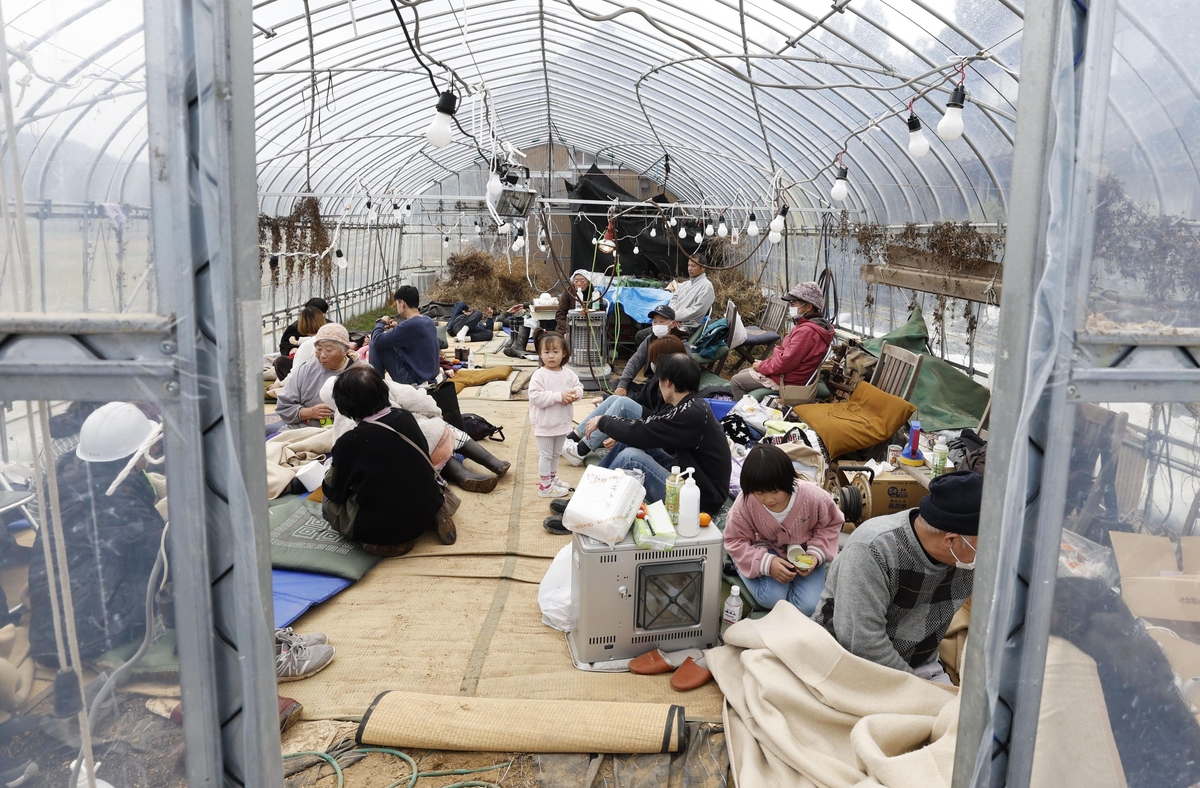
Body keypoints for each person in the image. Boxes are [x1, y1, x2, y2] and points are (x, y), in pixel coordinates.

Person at [812, 470, 982, 684]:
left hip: (920, 664)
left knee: (958, 715)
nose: (988, 553)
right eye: (983, 544)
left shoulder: (967, 555)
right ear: (951, 540)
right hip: (846, 659)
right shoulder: (873, 549)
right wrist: (914, 687)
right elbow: (861, 641)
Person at [323, 366, 457, 555]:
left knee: (327, 501)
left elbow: (335, 492)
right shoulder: (406, 417)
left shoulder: (349, 442)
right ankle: (434, 514)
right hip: (425, 510)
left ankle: (379, 543)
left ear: (344, 405)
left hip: (382, 531)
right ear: (383, 392)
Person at [585, 354, 730, 514]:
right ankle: (587, 493)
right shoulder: (691, 405)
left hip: (698, 500)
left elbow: (643, 432)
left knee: (631, 457)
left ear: (668, 382)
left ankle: (587, 505)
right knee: (630, 444)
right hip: (688, 477)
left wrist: (603, 422)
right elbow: (650, 426)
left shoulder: (691, 413)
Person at [320, 376, 510, 494]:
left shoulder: (343, 421)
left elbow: (339, 450)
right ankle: (493, 463)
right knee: (442, 432)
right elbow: (415, 398)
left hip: (401, 474)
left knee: (430, 454)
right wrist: (435, 413)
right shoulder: (399, 412)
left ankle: (463, 475)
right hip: (422, 444)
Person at [723, 445, 844, 616]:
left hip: (805, 551)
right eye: (760, 493)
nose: (769, 499)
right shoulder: (745, 503)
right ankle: (738, 564)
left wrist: (815, 556)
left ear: (789, 480)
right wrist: (767, 564)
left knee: (810, 606)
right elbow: (734, 540)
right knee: (771, 598)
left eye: (775, 491)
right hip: (766, 549)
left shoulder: (813, 496)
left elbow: (831, 524)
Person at [561, 335, 687, 466]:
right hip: (653, 420)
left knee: (623, 404)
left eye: (655, 359)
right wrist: (607, 399)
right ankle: (572, 438)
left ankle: (581, 450)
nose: (652, 363)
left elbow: (659, 425)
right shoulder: (658, 379)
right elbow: (639, 398)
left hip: (657, 429)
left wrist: (618, 431)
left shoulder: (675, 389)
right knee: (616, 399)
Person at [729, 281, 834, 400]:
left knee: (736, 381)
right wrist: (776, 355)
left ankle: (743, 414)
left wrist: (764, 365)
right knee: (742, 373)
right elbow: (786, 356)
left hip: (789, 379)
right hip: (790, 373)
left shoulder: (807, 331)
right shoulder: (811, 325)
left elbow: (786, 361)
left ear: (809, 306)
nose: (790, 306)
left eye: (794, 302)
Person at [272, 323, 358, 433]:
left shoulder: (362, 373)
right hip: (299, 431)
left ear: (345, 350)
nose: (322, 355)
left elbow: (373, 414)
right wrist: (308, 412)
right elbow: (284, 406)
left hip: (344, 435)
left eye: (329, 350)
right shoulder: (306, 370)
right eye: (318, 349)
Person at [528, 332, 583, 498]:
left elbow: (578, 387)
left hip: (562, 422)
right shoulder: (540, 375)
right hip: (545, 423)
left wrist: (575, 394)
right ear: (540, 354)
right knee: (546, 455)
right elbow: (535, 397)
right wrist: (559, 396)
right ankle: (545, 486)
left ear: (564, 353)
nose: (551, 356)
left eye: (555, 351)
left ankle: (551, 479)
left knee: (555, 453)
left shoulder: (568, 373)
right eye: (546, 352)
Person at [370, 285, 442, 386]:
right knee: (388, 341)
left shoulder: (408, 326)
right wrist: (397, 326)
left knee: (374, 344)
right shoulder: (427, 320)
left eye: (397, 304)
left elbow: (377, 340)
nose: (397, 307)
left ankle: (376, 388)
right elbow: (411, 331)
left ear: (402, 304)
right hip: (428, 377)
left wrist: (381, 323)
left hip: (412, 379)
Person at [613, 305, 678, 397]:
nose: (657, 325)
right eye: (654, 322)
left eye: (662, 322)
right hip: (650, 385)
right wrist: (623, 385)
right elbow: (636, 360)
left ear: (673, 324)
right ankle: (636, 399)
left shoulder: (679, 342)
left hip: (667, 387)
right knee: (618, 383)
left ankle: (635, 401)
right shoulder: (650, 339)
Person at [274, 301, 329, 380]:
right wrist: (291, 348)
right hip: (325, 377)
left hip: (309, 380)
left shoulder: (308, 345)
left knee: (280, 362)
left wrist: (280, 385)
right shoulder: (329, 334)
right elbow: (284, 344)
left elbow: (295, 373)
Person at [555, 269, 608, 334]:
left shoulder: (595, 294)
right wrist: (566, 331)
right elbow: (560, 314)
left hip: (590, 327)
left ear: (588, 283)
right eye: (576, 281)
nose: (579, 284)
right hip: (570, 327)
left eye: (582, 281)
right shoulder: (568, 292)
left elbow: (601, 314)